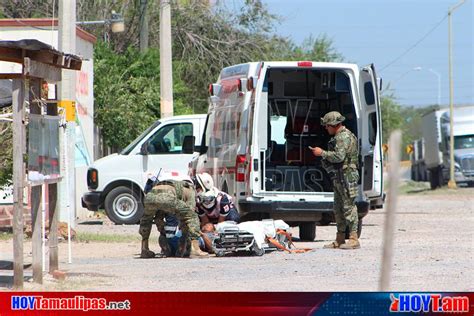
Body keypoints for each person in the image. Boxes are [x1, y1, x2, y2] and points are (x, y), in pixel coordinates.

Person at [310, 111, 360, 249]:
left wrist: (322, 153)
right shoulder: (340, 136)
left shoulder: (343, 137)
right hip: (340, 175)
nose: (326, 128)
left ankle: (354, 239)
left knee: (349, 207)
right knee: (338, 208)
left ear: (334, 125)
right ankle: (340, 239)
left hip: (347, 175)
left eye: (327, 125)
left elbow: (339, 157)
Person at [139, 173, 208, 258]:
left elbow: (159, 213)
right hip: (167, 196)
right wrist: (186, 230)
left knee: (146, 220)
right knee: (192, 217)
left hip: (150, 196)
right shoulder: (190, 189)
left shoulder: (173, 184)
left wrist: (160, 225)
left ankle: (144, 249)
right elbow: (189, 215)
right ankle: (195, 249)